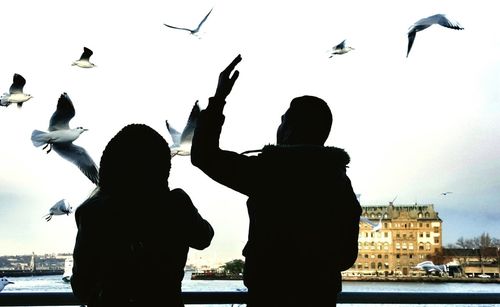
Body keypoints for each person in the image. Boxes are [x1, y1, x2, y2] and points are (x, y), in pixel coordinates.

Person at [191, 55, 361, 306]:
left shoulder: (269, 173)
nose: (278, 128)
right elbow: (346, 256)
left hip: (269, 294)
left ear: (290, 129)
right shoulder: (338, 182)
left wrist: (218, 99)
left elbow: (204, 156)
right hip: (319, 297)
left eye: (282, 121)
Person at [71, 123, 214, 307]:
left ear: (110, 168)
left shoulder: (93, 212)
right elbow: (204, 237)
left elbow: (81, 287)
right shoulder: (175, 205)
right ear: (162, 167)